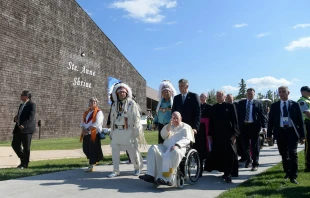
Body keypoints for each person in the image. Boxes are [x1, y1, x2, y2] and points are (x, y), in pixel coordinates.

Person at [139, 112, 194, 186]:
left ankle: (166, 179)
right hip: (166, 147)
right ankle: (150, 175)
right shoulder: (169, 125)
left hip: (179, 148)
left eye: (177, 118)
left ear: (181, 118)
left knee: (174, 152)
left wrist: (177, 145)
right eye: (173, 118)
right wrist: (168, 126)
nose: (175, 120)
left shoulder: (186, 127)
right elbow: (163, 136)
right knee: (153, 148)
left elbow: (187, 139)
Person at [267, 86, 305, 184]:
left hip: (292, 132)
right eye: (280, 92)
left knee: (293, 153)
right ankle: (287, 172)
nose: (281, 93)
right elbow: (270, 121)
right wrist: (269, 135)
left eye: (283, 91)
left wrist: (302, 136)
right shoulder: (274, 105)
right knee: (284, 153)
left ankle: (293, 176)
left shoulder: (295, 105)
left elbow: (300, 121)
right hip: (280, 132)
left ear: (288, 93)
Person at [108, 82, 146, 178]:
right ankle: (116, 170)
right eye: (119, 92)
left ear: (126, 93)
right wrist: (111, 132)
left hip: (128, 130)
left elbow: (136, 118)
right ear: (117, 94)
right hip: (117, 131)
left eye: (123, 92)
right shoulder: (114, 105)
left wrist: (137, 130)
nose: (121, 94)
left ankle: (137, 167)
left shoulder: (132, 103)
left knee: (132, 150)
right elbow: (112, 119)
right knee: (115, 150)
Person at [205, 90, 239, 183]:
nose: (218, 97)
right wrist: (209, 134)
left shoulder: (230, 106)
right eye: (217, 96)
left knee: (229, 154)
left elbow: (235, 121)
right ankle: (224, 172)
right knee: (220, 154)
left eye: (220, 96)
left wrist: (234, 135)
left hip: (228, 135)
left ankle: (228, 173)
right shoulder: (214, 107)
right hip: (217, 136)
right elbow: (211, 122)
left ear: (224, 97)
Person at [238, 88, 267, 171]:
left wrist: (264, 127)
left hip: (254, 127)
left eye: (252, 94)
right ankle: (248, 159)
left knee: (254, 146)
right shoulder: (241, 103)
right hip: (244, 127)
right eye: (248, 93)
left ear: (254, 94)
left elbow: (262, 116)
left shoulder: (258, 103)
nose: (250, 95)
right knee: (245, 145)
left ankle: (255, 163)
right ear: (246, 94)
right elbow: (238, 115)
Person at [12, 90, 36, 169]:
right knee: (15, 144)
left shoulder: (32, 105)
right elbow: (20, 115)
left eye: (22, 95)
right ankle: (24, 159)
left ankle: (24, 164)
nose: (21, 96)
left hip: (27, 129)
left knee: (26, 147)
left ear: (27, 96)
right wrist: (15, 118)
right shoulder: (21, 105)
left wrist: (24, 125)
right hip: (18, 128)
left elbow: (30, 117)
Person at [80, 97, 104, 172]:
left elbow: (97, 123)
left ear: (97, 103)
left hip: (93, 134)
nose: (93, 102)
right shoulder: (86, 112)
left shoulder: (99, 112)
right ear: (89, 103)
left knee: (92, 150)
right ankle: (95, 159)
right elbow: (82, 122)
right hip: (86, 134)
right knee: (85, 149)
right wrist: (83, 129)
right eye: (92, 101)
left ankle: (91, 165)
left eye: (95, 102)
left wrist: (87, 129)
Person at [197, 93, 212, 177]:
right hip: (199, 131)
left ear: (206, 98)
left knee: (208, 149)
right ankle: (200, 168)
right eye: (200, 96)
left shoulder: (209, 107)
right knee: (200, 149)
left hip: (207, 131)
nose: (201, 98)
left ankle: (207, 166)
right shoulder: (197, 106)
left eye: (203, 96)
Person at [297, 86, 310, 172]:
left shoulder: (308, 100)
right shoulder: (302, 101)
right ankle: (308, 165)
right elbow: (307, 113)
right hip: (307, 124)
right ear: (302, 92)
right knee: (309, 145)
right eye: (308, 91)